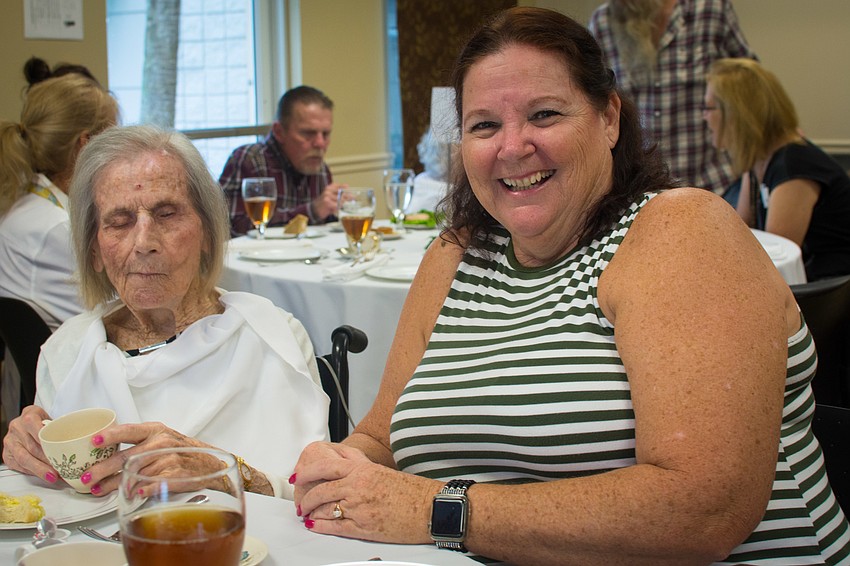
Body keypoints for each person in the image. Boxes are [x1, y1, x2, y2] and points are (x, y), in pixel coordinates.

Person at [290, 7, 850, 564]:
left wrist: (439, 510)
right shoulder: (454, 255)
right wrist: (339, 466)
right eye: (484, 125)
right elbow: (381, 440)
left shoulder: (680, 232)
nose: (513, 147)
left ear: (609, 119)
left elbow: (702, 509)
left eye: (544, 114)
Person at [2, 125, 330, 500]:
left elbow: (318, 494)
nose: (144, 242)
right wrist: (27, 450)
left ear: (207, 233)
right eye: (119, 221)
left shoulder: (273, 338)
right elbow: (52, 499)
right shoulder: (67, 353)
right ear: (94, 250)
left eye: (167, 214)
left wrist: (223, 473)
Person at [0, 72, 119, 418]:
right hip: (79, 387)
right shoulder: (58, 229)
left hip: (35, 376)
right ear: (86, 145)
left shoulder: (20, 205)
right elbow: (125, 310)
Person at [705, 58, 850, 281]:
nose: (704, 117)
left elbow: (774, 259)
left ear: (736, 114)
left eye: (709, 108)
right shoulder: (760, 157)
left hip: (830, 290)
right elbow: (740, 226)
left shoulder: (794, 166)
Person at [588, 0, 756, 193]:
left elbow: (752, 85)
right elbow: (595, 104)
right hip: (645, 192)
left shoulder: (710, 9)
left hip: (715, 183)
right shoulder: (603, 23)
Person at [219, 85, 346, 236]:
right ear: (279, 132)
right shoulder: (250, 159)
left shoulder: (320, 170)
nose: (320, 143)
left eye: (325, 134)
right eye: (308, 133)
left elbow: (324, 229)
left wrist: (341, 210)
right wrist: (312, 211)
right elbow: (232, 228)